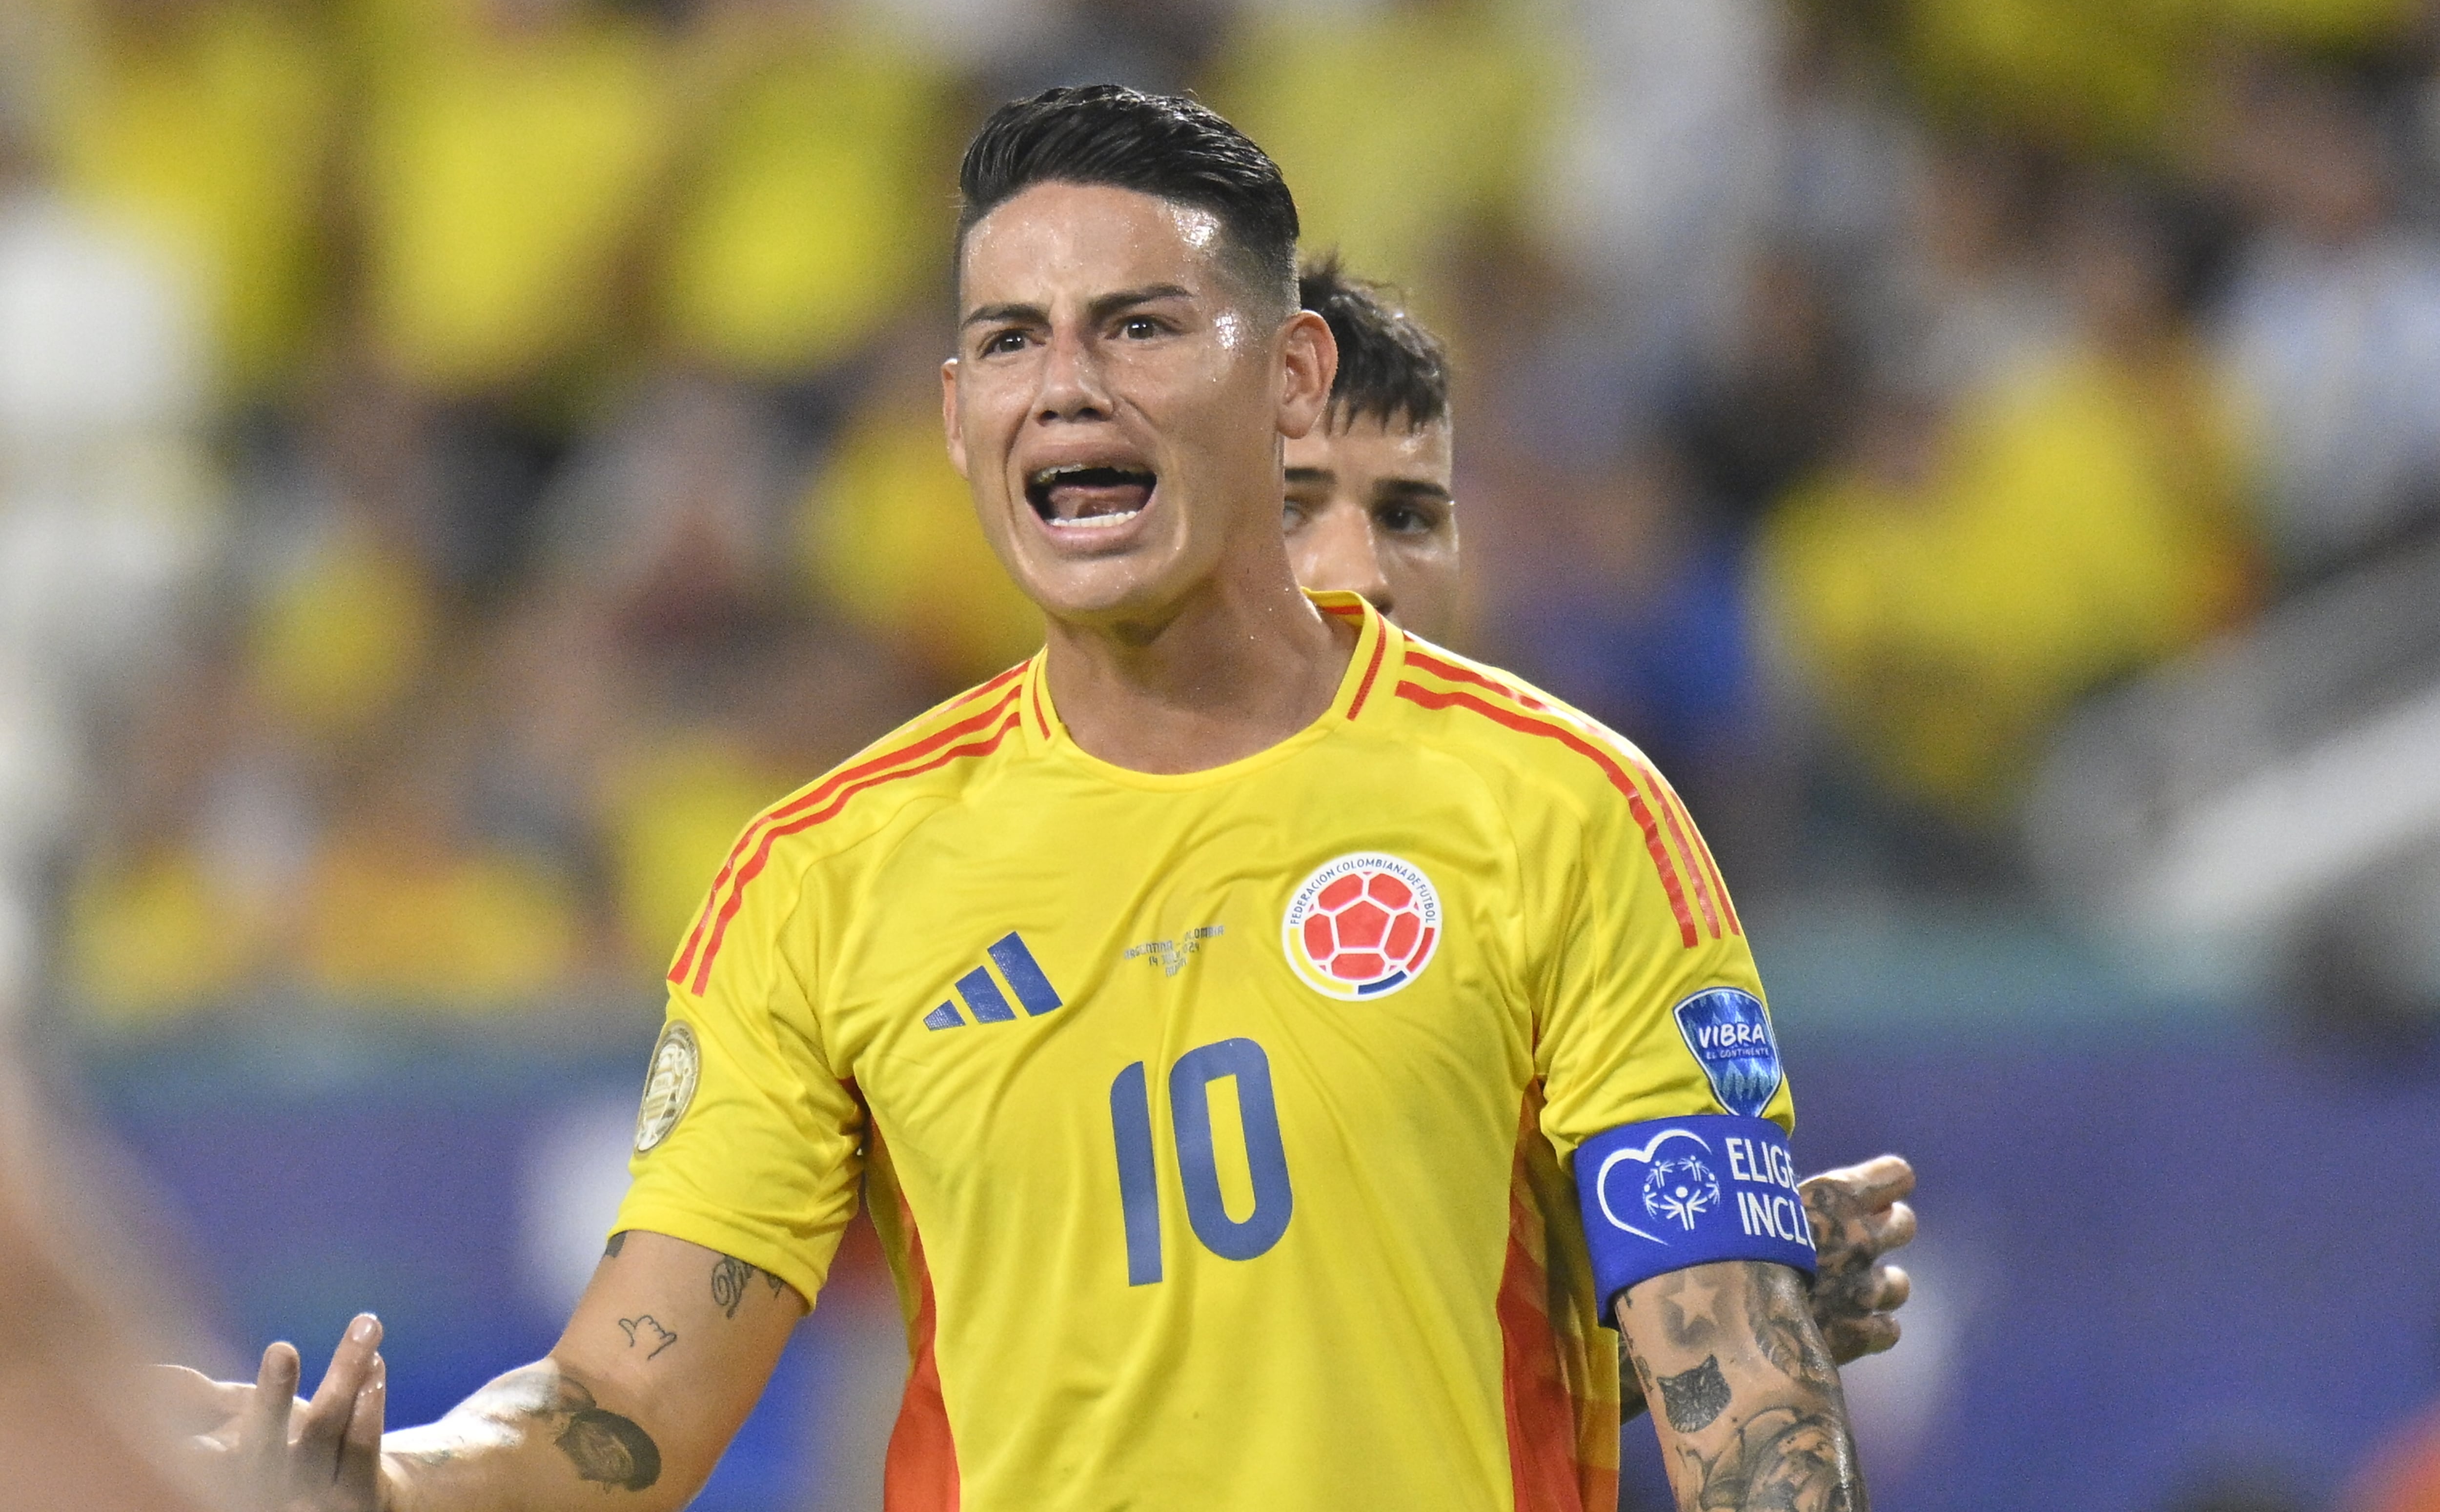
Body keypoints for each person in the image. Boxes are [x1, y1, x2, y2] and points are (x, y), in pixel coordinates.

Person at [168, 85, 1875, 1512]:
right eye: (1010, 339)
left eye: (1137, 325)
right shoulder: (823, 876)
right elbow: (629, 1396)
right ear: (957, 410)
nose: (1067, 382)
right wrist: (384, 1482)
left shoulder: (1559, 809)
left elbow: (1737, 1383)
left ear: (1289, 380)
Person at [1286, 254, 1916, 1379]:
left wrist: (1713, 1305)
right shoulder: (977, 853)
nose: (1360, 572)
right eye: (1293, 506)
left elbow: (1396, 1381)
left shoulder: (1577, 829)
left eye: (1410, 515)